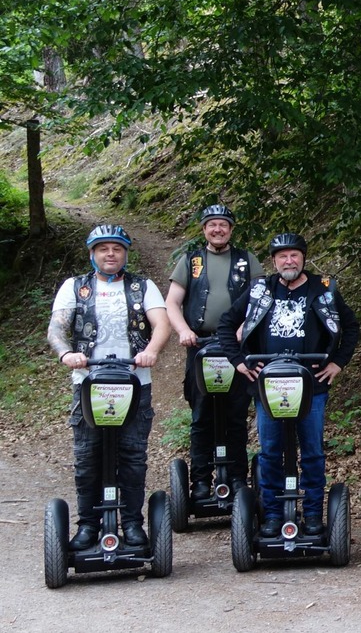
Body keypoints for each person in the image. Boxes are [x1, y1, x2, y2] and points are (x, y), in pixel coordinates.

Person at [217, 232, 360, 537]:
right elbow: (226, 324)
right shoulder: (260, 290)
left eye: (294, 255)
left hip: (312, 385)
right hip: (268, 384)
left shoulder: (323, 289)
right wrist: (239, 362)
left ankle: (310, 514)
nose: (289, 260)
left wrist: (337, 362)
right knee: (270, 450)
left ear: (303, 258)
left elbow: (351, 326)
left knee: (311, 451)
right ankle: (271, 513)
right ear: (274, 261)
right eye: (282, 256)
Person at [46, 224, 171, 549]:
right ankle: (88, 525)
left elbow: (161, 323)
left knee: (132, 456)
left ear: (125, 253)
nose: (110, 254)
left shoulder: (142, 286)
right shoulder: (75, 287)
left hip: (134, 383)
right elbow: (57, 328)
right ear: (93, 254)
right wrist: (67, 354)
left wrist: (151, 352)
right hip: (89, 383)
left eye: (116, 248)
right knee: (88, 456)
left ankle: (132, 524)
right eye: (103, 249)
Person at [164, 204, 263, 500]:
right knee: (201, 416)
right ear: (204, 229)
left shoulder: (247, 260)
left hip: (237, 349)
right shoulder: (191, 260)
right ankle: (202, 482)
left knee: (235, 415)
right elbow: (172, 302)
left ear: (231, 229)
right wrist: (183, 330)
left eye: (223, 224)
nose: (217, 229)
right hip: (200, 347)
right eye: (212, 225)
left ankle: (236, 480)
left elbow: (260, 300)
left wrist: (244, 327)